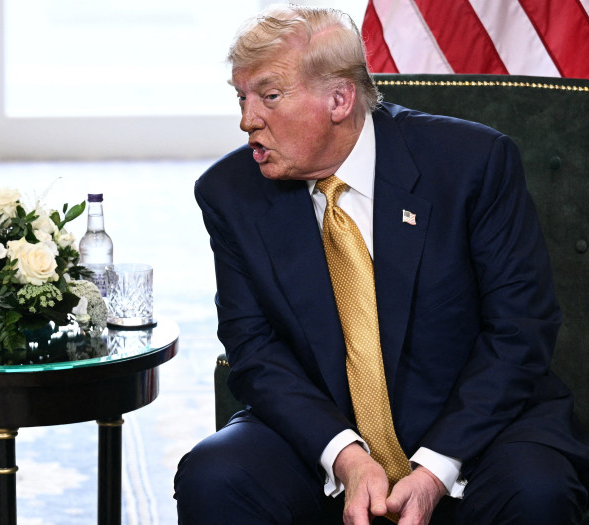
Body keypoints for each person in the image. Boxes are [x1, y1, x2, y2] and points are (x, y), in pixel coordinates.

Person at [176, 5, 589, 525]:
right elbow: (253, 350)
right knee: (214, 476)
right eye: (242, 97)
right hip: (323, 432)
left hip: (478, 432)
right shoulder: (230, 193)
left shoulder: (472, 165)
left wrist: (435, 469)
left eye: (269, 96)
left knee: (537, 492)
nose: (247, 119)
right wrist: (346, 456)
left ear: (339, 99)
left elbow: (519, 331)